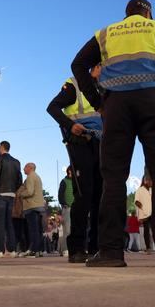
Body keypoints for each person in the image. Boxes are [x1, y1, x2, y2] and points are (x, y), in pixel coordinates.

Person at [71, 0, 155, 268]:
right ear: (148, 13)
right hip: (154, 103)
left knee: (114, 176)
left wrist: (98, 102)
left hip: (116, 105)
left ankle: (110, 252)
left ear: (126, 14)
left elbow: (78, 64)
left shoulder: (106, 33)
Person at [47, 67, 104, 263]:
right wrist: (70, 125)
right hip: (80, 141)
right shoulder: (75, 85)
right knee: (85, 193)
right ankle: (76, 247)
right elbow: (52, 107)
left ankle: (96, 246)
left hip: (101, 142)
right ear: (96, 67)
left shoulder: (105, 87)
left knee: (100, 195)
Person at [0, 141, 22, 258]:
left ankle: (0, 250)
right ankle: (11, 250)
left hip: (0, 193)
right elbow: (19, 180)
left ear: (1, 147)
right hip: (11, 194)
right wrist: (13, 190)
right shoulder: (17, 162)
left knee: (0, 222)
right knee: (9, 222)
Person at [19, 163, 46, 257]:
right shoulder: (37, 177)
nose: (23, 169)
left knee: (33, 230)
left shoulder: (30, 177)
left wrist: (21, 194)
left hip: (31, 206)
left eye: (25, 167)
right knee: (38, 230)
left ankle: (33, 250)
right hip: (38, 206)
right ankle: (39, 250)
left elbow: (30, 192)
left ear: (30, 168)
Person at [56, 167, 75, 257]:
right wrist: (64, 203)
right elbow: (60, 194)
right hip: (67, 208)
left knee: (75, 230)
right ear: (69, 171)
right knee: (67, 230)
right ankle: (65, 249)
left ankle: (74, 248)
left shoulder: (77, 182)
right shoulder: (64, 181)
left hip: (76, 208)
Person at [134, 178, 154, 254]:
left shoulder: (152, 189)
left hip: (153, 212)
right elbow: (137, 202)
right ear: (146, 181)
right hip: (144, 214)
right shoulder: (140, 190)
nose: (151, 182)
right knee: (146, 231)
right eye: (150, 181)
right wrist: (143, 209)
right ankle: (148, 248)